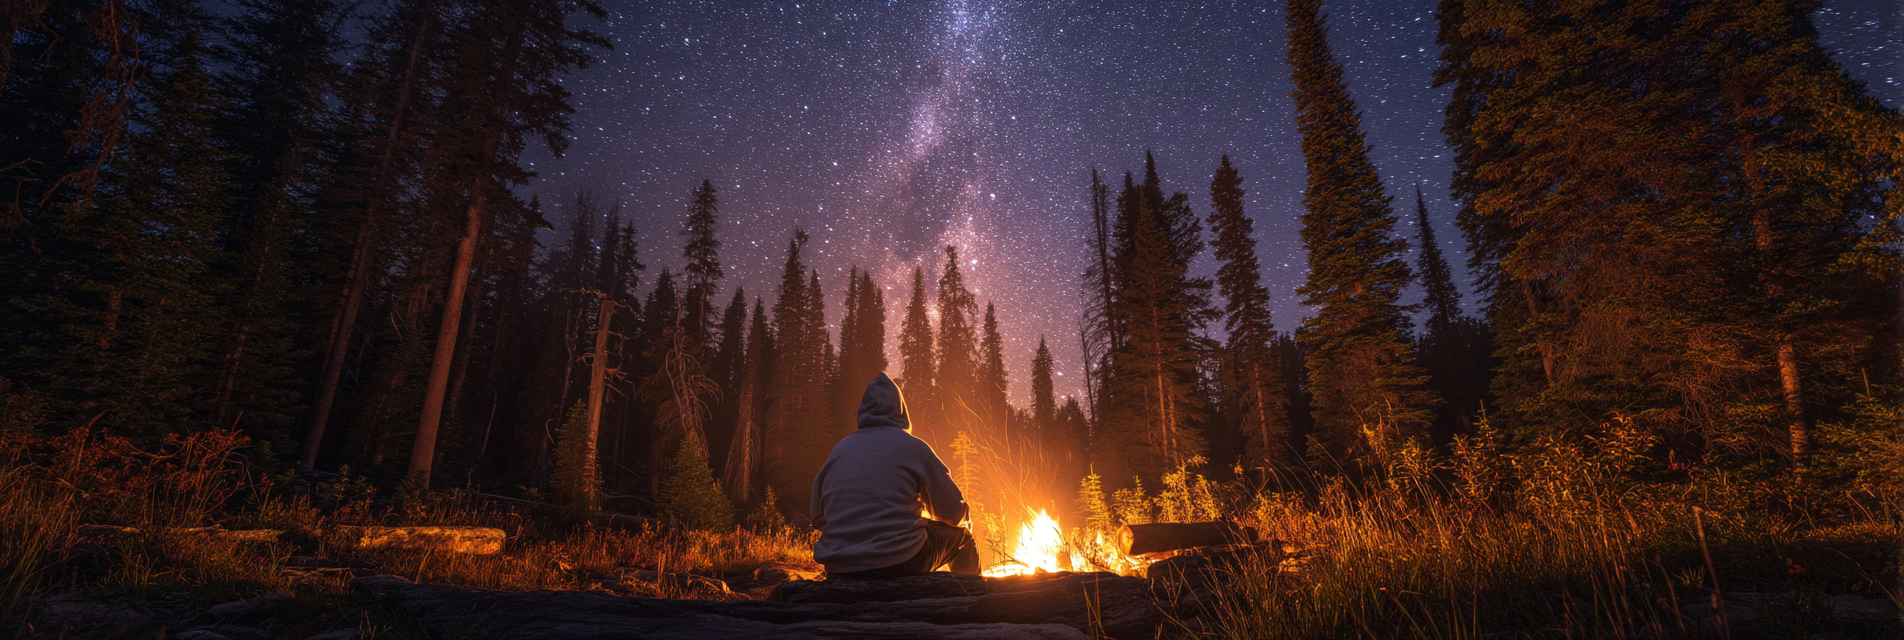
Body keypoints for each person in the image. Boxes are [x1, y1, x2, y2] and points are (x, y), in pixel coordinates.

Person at [810, 372, 981, 578]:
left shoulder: (839, 450)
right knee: (963, 538)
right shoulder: (914, 448)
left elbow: (818, 517)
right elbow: (952, 511)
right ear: (901, 410)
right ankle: (974, 601)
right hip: (898, 561)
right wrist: (963, 522)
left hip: (839, 568)